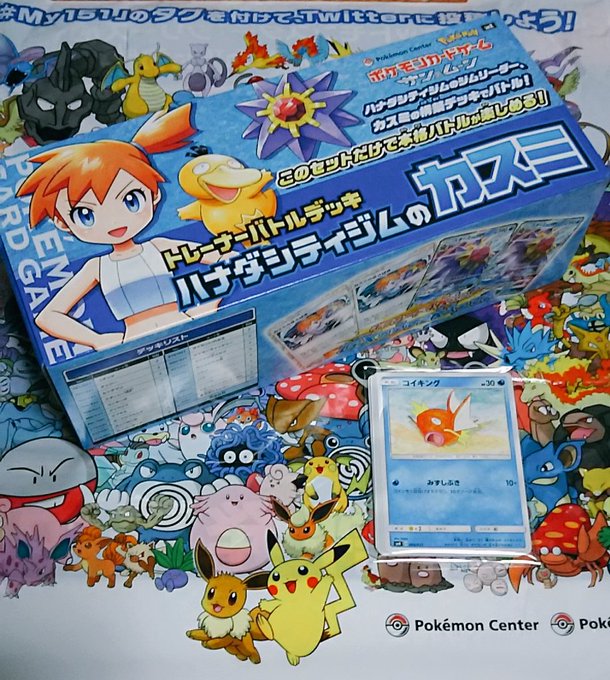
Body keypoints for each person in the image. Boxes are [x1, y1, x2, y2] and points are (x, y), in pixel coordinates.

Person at [17, 104, 218, 350]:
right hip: (133, 346)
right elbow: (47, 317)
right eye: (86, 214)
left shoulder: (159, 246)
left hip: (188, 327)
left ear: (154, 194)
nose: (114, 221)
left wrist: (206, 307)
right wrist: (97, 340)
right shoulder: (97, 267)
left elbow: (225, 258)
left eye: (131, 200)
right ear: (62, 222)